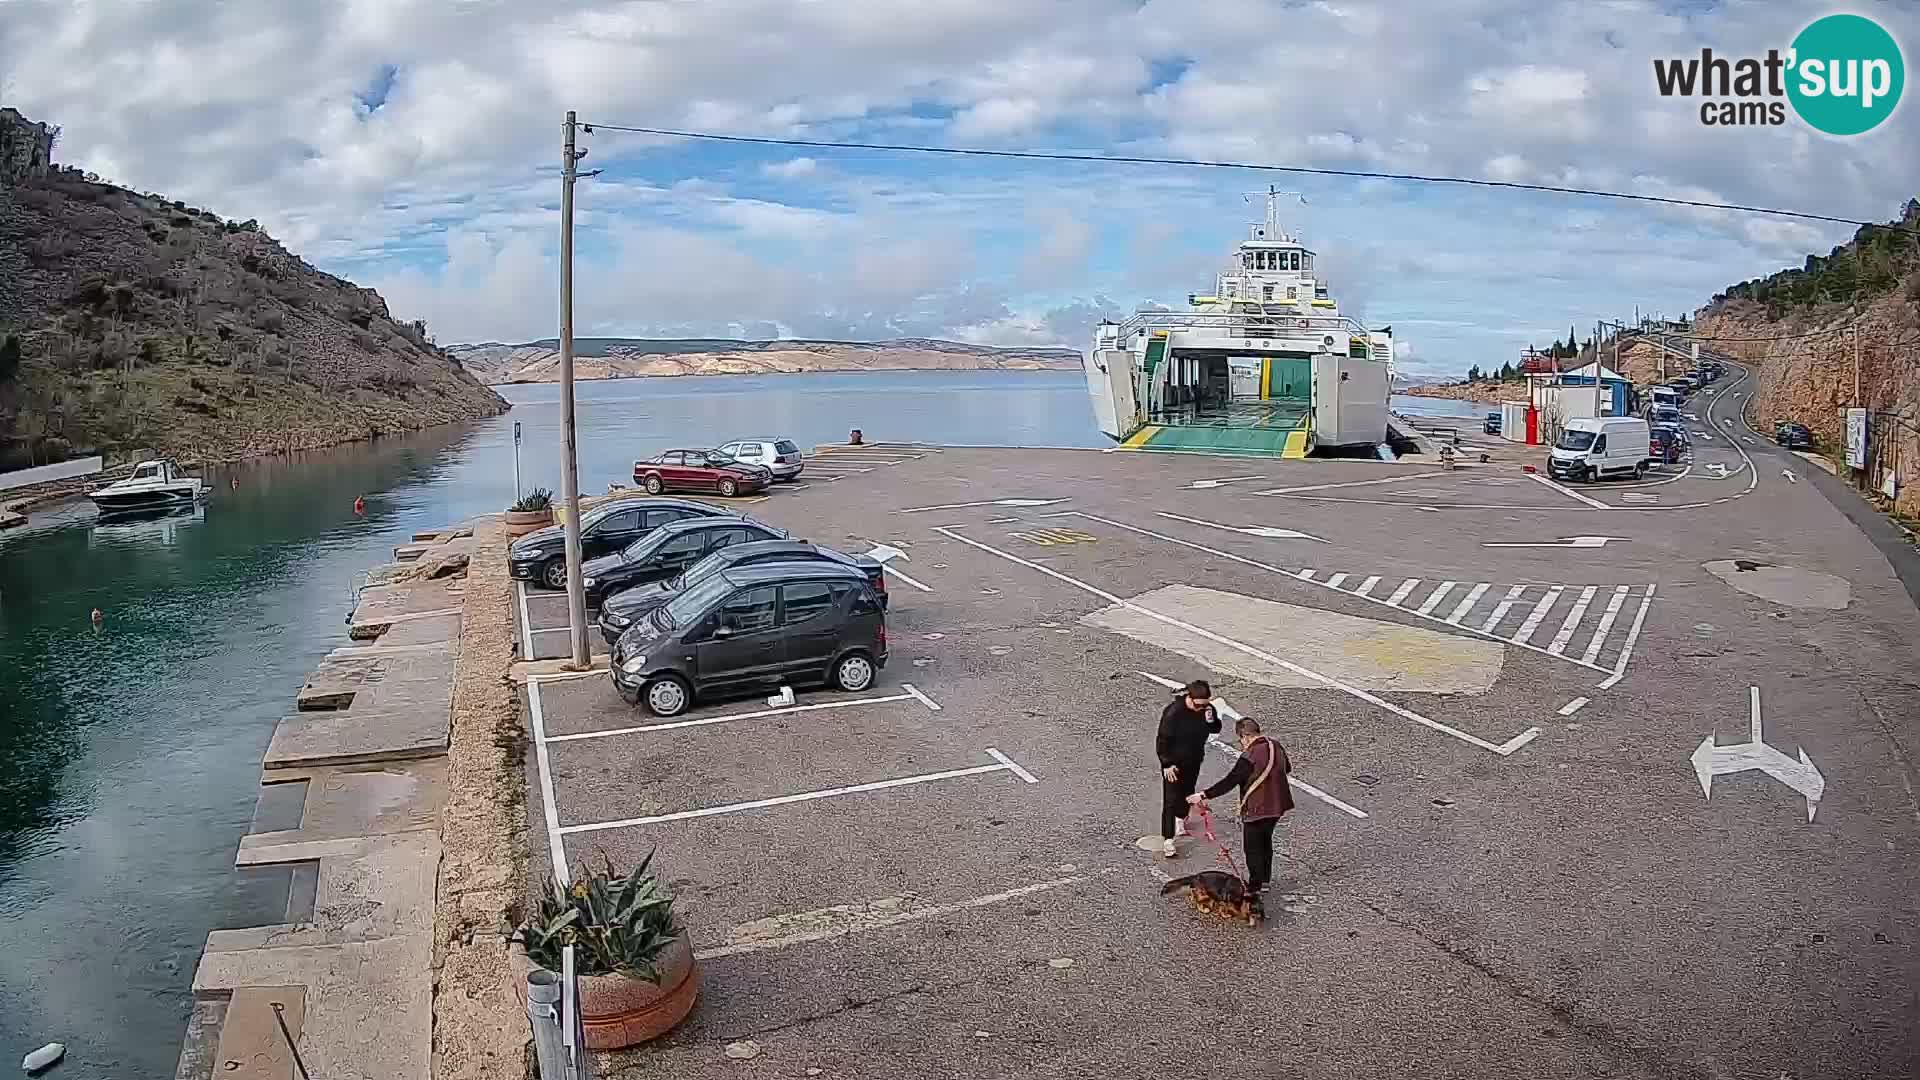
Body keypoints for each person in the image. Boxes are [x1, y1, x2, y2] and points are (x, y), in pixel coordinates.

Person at [1188, 717, 1293, 894]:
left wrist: (1204, 795)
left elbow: (1231, 780)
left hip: (1256, 809)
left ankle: (1255, 886)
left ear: (1244, 736)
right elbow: (1287, 768)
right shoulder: (1275, 745)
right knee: (1266, 843)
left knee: (1252, 849)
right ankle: (1265, 881)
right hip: (1278, 806)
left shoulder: (1249, 756)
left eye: (1240, 740)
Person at [1154, 679, 1220, 858]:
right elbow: (1162, 740)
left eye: (1205, 705)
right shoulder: (1174, 713)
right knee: (1170, 798)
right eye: (1198, 705)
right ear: (1189, 698)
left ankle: (1181, 818)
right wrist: (1166, 763)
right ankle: (1168, 838)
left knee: (1188, 790)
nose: (1201, 709)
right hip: (1173, 763)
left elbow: (1215, 728)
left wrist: (1210, 718)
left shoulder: (1206, 709)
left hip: (1194, 758)